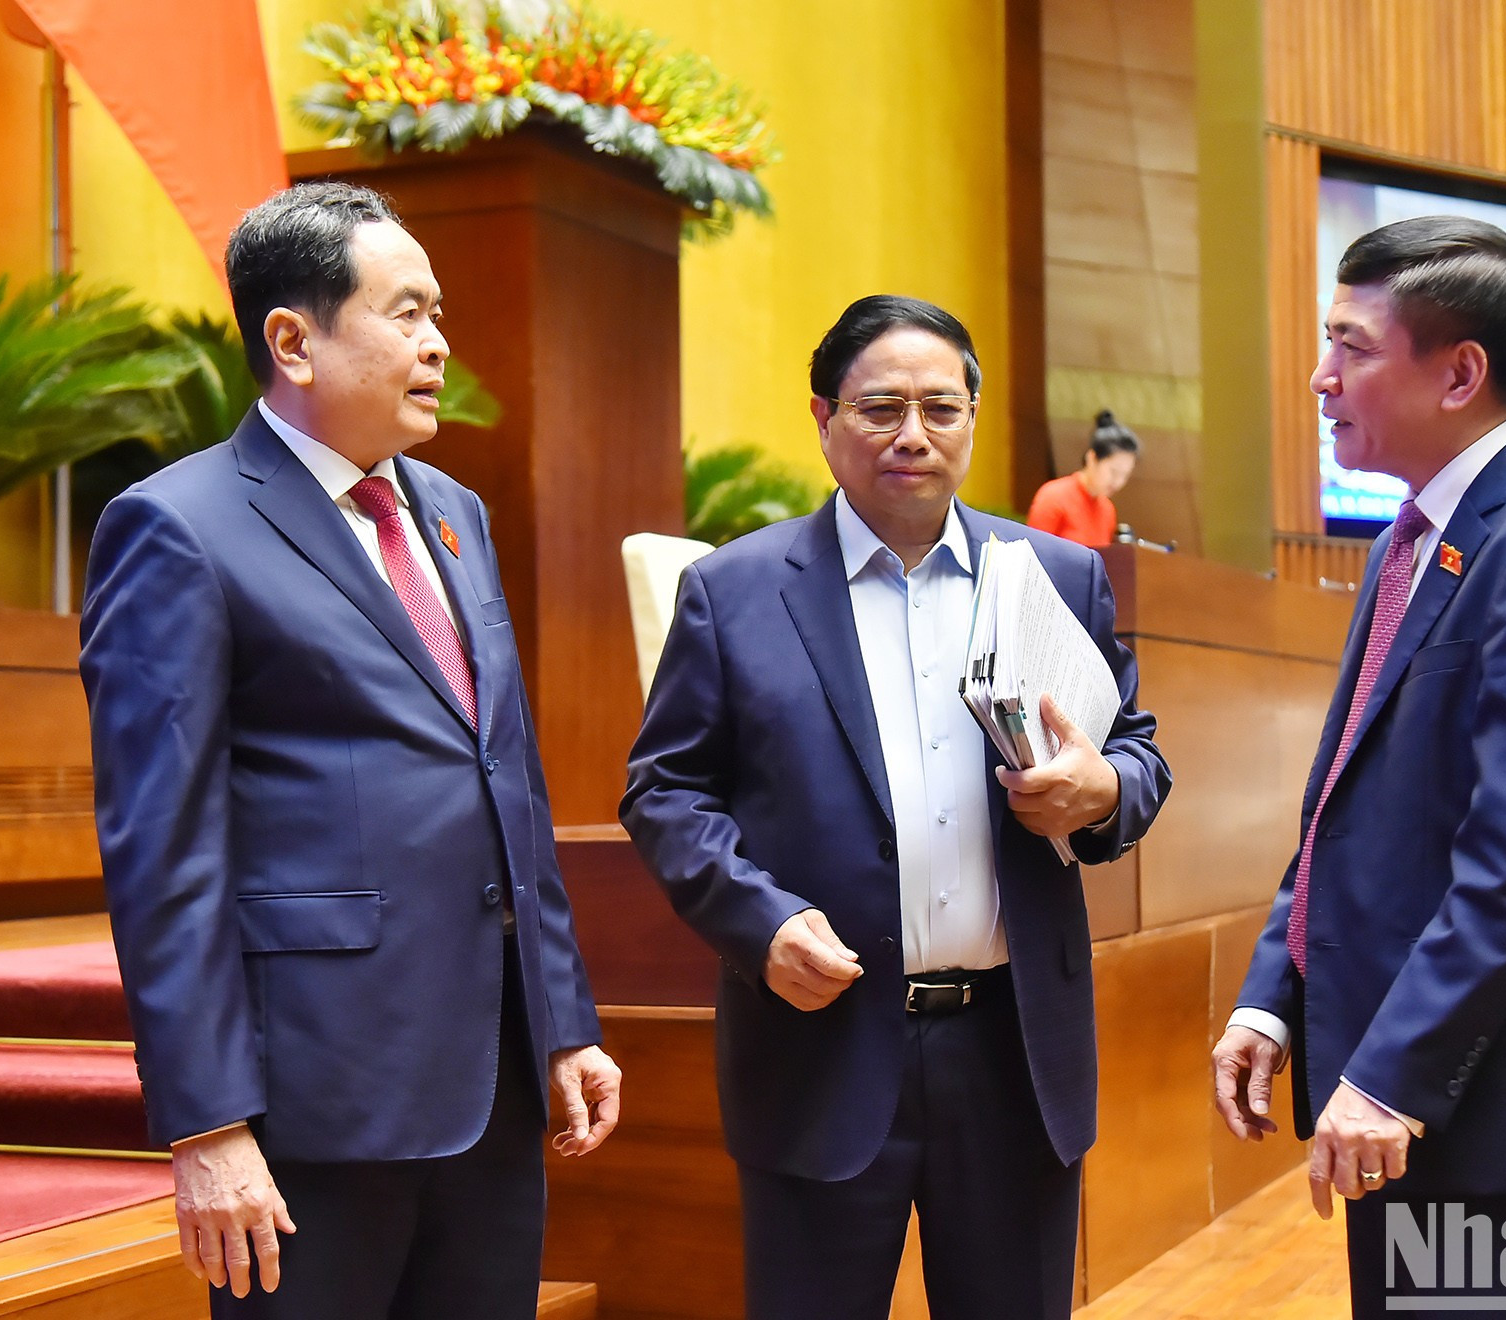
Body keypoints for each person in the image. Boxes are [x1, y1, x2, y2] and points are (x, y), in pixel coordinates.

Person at [79, 181, 620, 1320]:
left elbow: (506, 783)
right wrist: (208, 1123)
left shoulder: (454, 513)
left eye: (437, 313)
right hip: (316, 1100)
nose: (440, 343)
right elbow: (162, 853)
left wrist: (560, 1022)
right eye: (408, 312)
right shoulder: (177, 527)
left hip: (490, 1078)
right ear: (293, 340)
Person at [622, 295, 1170, 1320]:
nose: (914, 435)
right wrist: (760, 921)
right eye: (881, 409)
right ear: (824, 419)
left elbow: (1134, 752)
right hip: (818, 1049)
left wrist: (1102, 793)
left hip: (1012, 1053)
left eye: (941, 408)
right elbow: (665, 790)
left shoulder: (1051, 574)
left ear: (971, 419)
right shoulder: (733, 593)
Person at [1210, 217, 1506, 1318]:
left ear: (1460, 372)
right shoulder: (1412, 538)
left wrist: (1391, 1074)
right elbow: (1347, 808)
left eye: (1353, 347)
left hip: (1485, 1100)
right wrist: (1277, 995)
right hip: (1400, 1090)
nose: (1321, 379)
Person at [1025, 409, 1138, 547]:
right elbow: (1034, 553)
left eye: (1125, 475)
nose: (1118, 482)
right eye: (1114, 472)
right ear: (1092, 458)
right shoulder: (1053, 497)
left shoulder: (1107, 510)